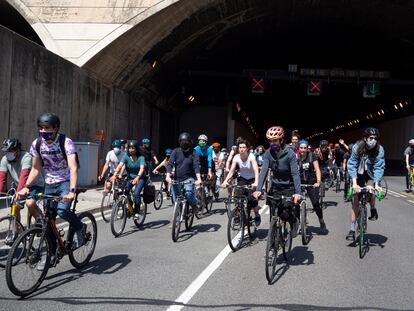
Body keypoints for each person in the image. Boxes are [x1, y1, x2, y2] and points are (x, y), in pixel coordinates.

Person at [18, 113, 85, 253]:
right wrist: (26, 187)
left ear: (56, 128)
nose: (43, 131)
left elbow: (73, 168)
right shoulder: (37, 144)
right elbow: (36, 169)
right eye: (41, 128)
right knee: (48, 220)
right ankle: (52, 252)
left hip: (65, 182)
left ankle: (80, 227)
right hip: (49, 183)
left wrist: (72, 191)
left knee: (62, 210)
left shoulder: (66, 142)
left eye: (47, 128)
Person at [253, 126, 302, 237]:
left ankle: (294, 221)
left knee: (285, 214)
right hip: (275, 187)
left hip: (289, 188)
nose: (272, 143)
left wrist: (298, 192)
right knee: (273, 216)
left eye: (275, 141)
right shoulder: (268, 153)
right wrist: (258, 190)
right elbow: (264, 172)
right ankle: (273, 241)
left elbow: (295, 174)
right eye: (270, 141)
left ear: (281, 140)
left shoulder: (290, 154)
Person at [0, 138, 44, 243]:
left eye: (11, 151)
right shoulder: (5, 160)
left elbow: (24, 176)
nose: (8, 154)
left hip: (35, 185)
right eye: (7, 151)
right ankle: (16, 232)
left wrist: (19, 192)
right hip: (20, 187)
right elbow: (2, 178)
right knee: (15, 206)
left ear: (17, 150)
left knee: (30, 203)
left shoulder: (26, 157)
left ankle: (41, 221)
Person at [346, 128, 385, 240]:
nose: (373, 140)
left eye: (375, 138)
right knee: (355, 199)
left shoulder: (379, 149)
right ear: (365, 138)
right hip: (358, 174)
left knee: (372, 190)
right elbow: (352, 164)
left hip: (371, 174)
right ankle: (352, 229)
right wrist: (354, 183)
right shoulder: (357, 147)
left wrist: (376, 183)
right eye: (371, 138)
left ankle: (372, 207)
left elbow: (379, 167)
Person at [222, 138, 261, 226]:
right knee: (237, 197)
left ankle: (257, 214)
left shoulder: (251, 156)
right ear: (238, 149)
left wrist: (256, 183)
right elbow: (231, 171)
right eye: (240, 147)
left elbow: (256, 171)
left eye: (243, 147)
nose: (242, 149)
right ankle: (239, 215)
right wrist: (225, 181)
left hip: (252, 180)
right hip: (242, 179)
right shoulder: (236, 157)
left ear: (247, 148)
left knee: (251, 199)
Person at [112, 140, 148, 221]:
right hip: (130, 178)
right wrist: (115, 174)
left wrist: (138, 177)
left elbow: (142, 168)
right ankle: (131, 207)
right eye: (130, 148)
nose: (131, 150)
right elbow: (120, 165)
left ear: (136, 149)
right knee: (125, 191)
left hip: (141, 178)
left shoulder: (141, 158)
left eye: (133, 148)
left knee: (136, 193)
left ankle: (137, 212)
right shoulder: (125, 157)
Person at [166, 132, 202, 214]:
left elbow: (196, 166)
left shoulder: (194, 153)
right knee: (175, 201)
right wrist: (168, 176)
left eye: (186, 141)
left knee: (188, 194)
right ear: (179, 142)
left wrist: (199, 179)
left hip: (189, 179)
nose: (184, 143)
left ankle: (194, 205)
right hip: (176, 179)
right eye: (182, 141)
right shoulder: (175, 151)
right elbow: (170, 163)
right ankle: (176, 222)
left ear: (190, 142)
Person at [297, 140, 326, 231]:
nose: (303, 150)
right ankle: (297, 222)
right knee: (295, 203)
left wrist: (318, 181)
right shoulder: (295, 157)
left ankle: (321, 220)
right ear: (298, 148)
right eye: (301, 148)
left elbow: (317, 169)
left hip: (311, 182)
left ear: (307, 148)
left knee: (316, 204)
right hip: (299, 182)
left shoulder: (311, 156)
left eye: (305, 148)